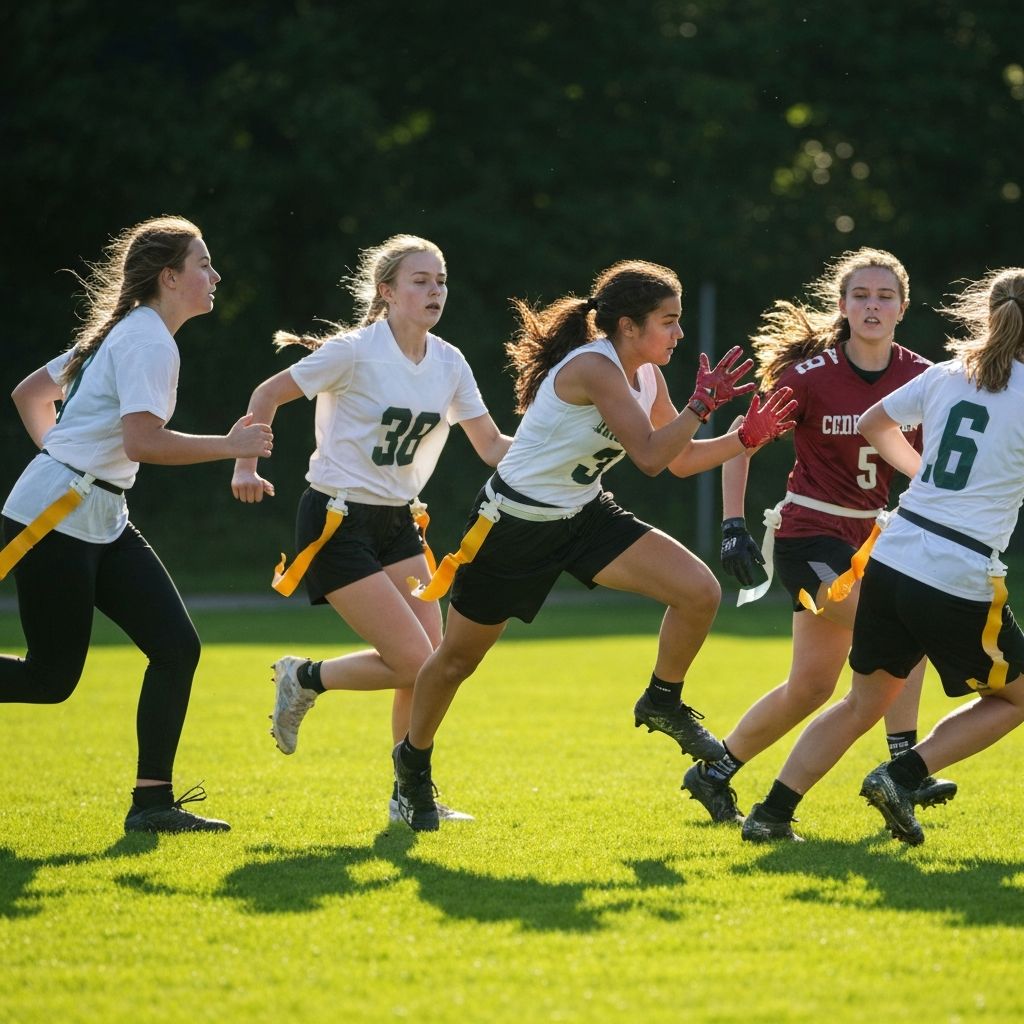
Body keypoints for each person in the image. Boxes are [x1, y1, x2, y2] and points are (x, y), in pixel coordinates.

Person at [389, 259, 798, 831]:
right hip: (513, 524)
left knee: (698, 592)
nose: (679, 334)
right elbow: (653, 457)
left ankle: (662, 699)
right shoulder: (596, 368)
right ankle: (411, 767)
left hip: (582, 515)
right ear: (627, 327)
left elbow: (679, 459)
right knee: (456, 660)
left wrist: (740, 438)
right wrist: (701, 409)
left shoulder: (646, 374)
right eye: (668, 321)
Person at [0, 215, 273, 833]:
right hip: (56, 516)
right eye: (203, 264)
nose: (216, 275)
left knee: (176, 647)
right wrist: (232, 446)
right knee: (50, 679)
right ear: (170, 277)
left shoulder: (130, 331)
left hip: (99, 513)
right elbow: (143, 441)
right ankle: (151, 804)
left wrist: (65, 460)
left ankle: (151, 805)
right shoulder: (145, 339)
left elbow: (27, 395)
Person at [231, 234, 512, 823]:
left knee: (431, 664)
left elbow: (492, 447)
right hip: (337, 518)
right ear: (386, 292)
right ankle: (306, 677)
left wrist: (558, 438)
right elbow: (268, 392)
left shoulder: (450, 361)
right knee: (421, 664)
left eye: (440, 281)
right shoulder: (354, 351)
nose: (435, 291)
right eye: (420, 280)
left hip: (400, 522)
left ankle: (410, 795)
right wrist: (246, 462)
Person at [740, 267, 1024, 844]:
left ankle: (770, 815)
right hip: (956, 571)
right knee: (1016, 698)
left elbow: (874, 423)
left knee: (861, 701)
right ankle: (903, 775)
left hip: (892, 555)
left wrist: (925, 477)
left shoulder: (947, 373)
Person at [682, 248, 957, 826]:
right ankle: (905, 768)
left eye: (885, 296)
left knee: (809, 687)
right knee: (906, 629)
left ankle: (714, 772)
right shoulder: (811, 377)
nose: (873, 305)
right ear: (842, 305)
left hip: (873, 539)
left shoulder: (926, 377)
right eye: (861, 295)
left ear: (903, 308)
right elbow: (744, 438)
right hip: (810, 538)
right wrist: (733, 525)